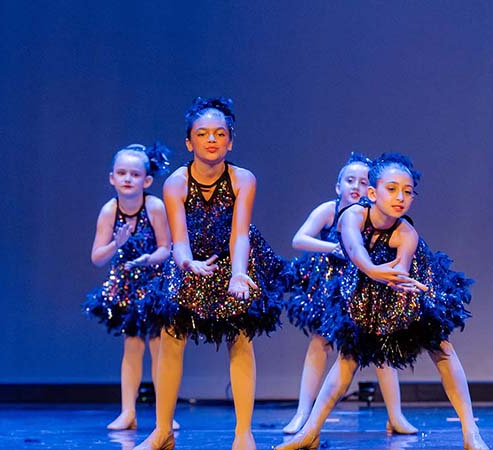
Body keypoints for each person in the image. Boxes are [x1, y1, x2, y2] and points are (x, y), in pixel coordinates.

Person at [275, 153, 488, 450]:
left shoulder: (406, 234)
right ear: (373, 194)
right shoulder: (352, 216)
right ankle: (310, 431)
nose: (400, 197)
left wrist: (400, 283)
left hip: (407, 286)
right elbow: (354, 248)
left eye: (408, 192)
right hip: (366, 283)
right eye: (392, 189)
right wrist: (373, 270)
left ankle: (470, 433)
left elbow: (401, 270)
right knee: (349, 356)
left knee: (441, 348)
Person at [134, 97, 290, 450]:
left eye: (220, 134)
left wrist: (238, 274)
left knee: (240, 337)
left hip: (233, 259)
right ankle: (162, 431)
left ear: (230, 141)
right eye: (202, 134)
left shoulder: (242, 179)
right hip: (191, 261)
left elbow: (240, 234)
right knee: (172, 337)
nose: (211, 140)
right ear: (189, 142)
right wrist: (187, 263)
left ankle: (243, 433)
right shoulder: (176, 183)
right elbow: (179, 239)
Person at [284, 153, 416, 435]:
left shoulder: (375, 216)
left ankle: (396, 415)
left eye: (363, 182)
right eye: (350, 180)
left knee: (382, 348)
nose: (356, 186)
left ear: (373, 189)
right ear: (338, 186)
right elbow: (299, 239)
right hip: (332, 287)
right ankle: (303, 412)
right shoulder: (330, 211)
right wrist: (333, 247)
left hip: (365, 287)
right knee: (320, 341)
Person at [82, 143, 180, 431]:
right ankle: (128, 412)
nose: (127, 179)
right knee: (132, 347)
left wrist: (148, 259)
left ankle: (165, 414)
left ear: (146, 181)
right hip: (126, 287)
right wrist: (116, 243)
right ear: (111, 178)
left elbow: (166, 248)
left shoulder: (154, 207)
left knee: (159, 348)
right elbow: (97, 257)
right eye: (122, 173)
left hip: (155, 286)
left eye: (135, 174)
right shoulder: (109, 211)